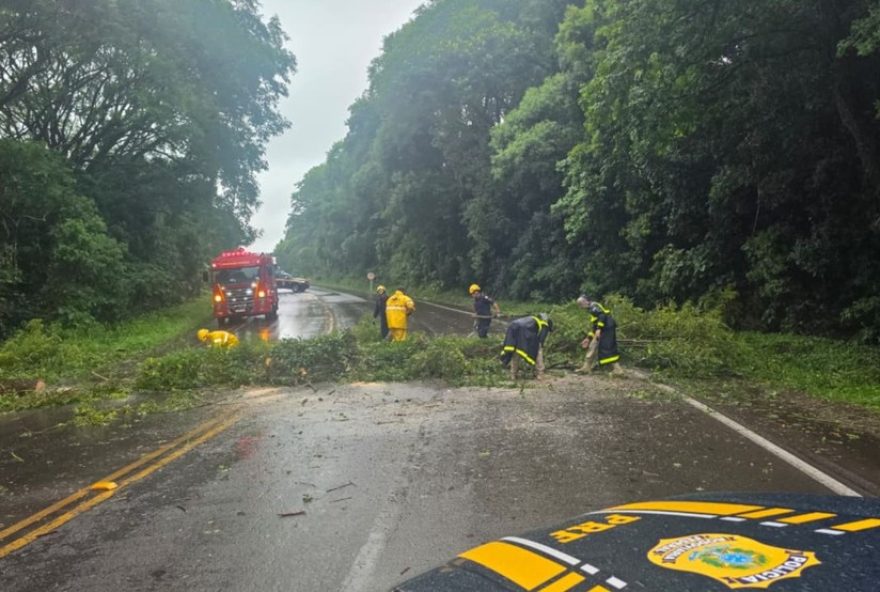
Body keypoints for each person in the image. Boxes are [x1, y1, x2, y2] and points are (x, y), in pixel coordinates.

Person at [576, 295, 622, 375]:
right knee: (592, 345)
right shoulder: (591, 310)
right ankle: (586, 367)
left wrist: (599, 328)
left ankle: (618, 370)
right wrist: (588, 338)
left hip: (607, 328)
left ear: (585, 301)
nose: (580, 307)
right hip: (602, 328)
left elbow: (602, 315)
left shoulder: (594, 306)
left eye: (580, 304)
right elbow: (594, 326)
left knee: (607, 347)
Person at [500, 313, 553, 379]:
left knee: (516, 352)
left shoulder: (531, 318)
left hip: (513, 328)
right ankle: (540, 374)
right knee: (538, 352)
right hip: (524, 334)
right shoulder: (545, 325)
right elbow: (540, 341)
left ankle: (513, 375)